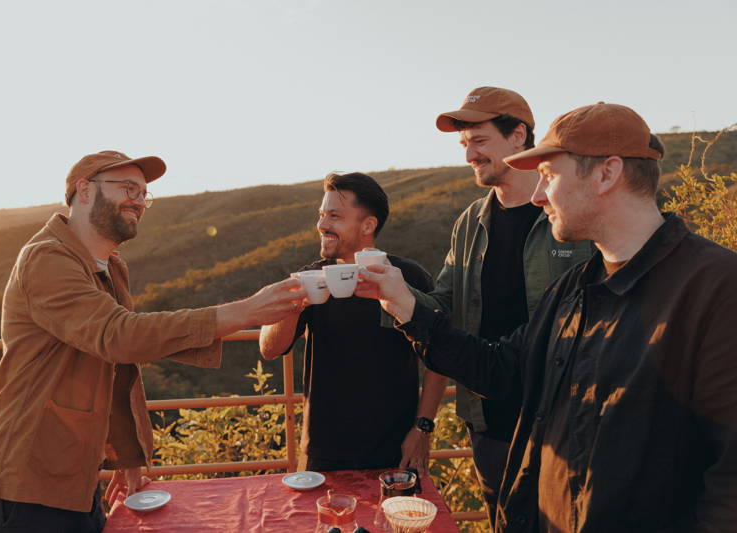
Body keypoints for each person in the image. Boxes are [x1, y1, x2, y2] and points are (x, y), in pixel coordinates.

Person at [358, 103, 737, 532]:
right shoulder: (574, 288)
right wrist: (404, 306)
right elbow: (501, 370)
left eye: (549, 176)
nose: (538, 196)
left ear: (607, 174)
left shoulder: (717, 289)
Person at [0, 150, 306, 533]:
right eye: (128, 188)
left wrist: (127, 457)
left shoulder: (110, 266)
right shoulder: (47, 259)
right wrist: (244, 312)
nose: (139, 201)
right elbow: (118, 336)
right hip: (21, 486)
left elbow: (120, 364)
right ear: (84, 191)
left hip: (72, 482)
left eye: (144, 194)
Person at [390, 86, 592, 526]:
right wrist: (389, 292)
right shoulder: (470, 222)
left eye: (479, 141)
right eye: (465, 144)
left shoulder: (569, 214)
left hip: (563, 426)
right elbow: (443, 306)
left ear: (518, 136)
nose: (470, 156)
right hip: (490, 426)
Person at [259, 172, 446, 473]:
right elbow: (269, 349)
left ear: (368, 225)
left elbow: (439, 355)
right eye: (321, 215)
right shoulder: (310, 278)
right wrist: (293, 305)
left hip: (397, 450)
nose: (322, 225)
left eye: (334, 216)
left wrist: (422, 428)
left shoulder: (407, 277)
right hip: (324, 452)